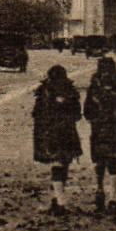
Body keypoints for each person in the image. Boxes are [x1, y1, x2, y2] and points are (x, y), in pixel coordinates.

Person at [83, 56, 116, 218]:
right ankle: (106, 195)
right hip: (107, 128)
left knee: (106, 162)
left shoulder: (98, 88)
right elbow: (88, 110)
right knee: (106, 162)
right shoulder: (111, 88)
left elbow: (87, 111)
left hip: (106, 128)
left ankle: (107, 195)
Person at [32, 64, 84, 215]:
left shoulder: (43, 91)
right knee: (64, 164)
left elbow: (37, 114)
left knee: (56, 165)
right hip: (67, 133)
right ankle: (58, 200)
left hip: (49, 133)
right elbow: (77, 114)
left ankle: (59, 200)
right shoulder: (70, 91)